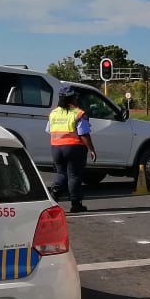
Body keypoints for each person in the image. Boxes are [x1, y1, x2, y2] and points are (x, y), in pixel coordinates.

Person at [47, 85, 97, 213]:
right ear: (73, 98)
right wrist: (91, 149)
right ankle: (76, 204)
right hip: (74, 147)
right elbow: (83, 133)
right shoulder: (78, 113)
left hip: (56, 147)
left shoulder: (54, 113)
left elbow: (49, 130)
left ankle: (54, 194)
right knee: (74, 175)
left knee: (61, 173)